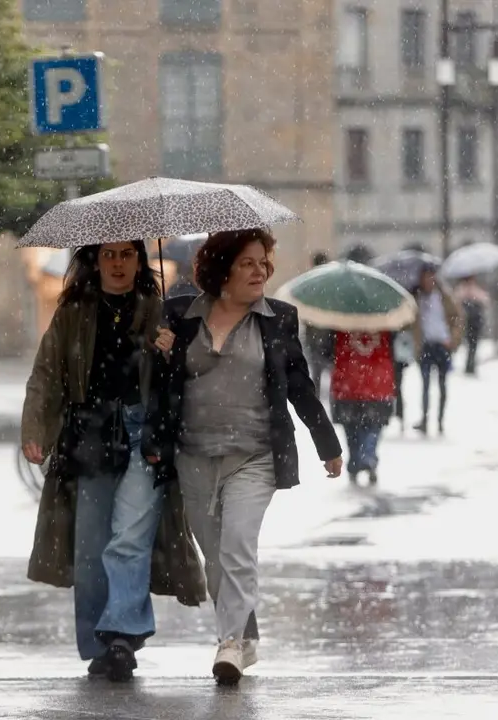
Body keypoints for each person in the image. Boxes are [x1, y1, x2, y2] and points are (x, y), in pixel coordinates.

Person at [145, 228, 344, 685]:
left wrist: (326, 444)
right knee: (214, 556)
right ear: (223, 269)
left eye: (263, 263)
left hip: (254, 456)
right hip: (193, 454)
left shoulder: (277, 319)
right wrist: (158, 353)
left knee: (236, 545)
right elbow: (161, 391)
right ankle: (245, 632)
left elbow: (299, 385)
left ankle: (229, 642)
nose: (260, 272)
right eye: (248, 263)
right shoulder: (179, 315)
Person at [20, 240, 205, 683]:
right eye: (109, 254)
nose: (118, 263)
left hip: (146, 434)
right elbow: (46, 373)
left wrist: (168, 351)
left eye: (127, 254)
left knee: (130, 538)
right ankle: (99, 643)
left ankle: (122, 635)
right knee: (89, 547)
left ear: (141, 260)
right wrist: (35, 430)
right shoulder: (74, 312)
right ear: (95, 261)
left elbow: (186, 376)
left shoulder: (160, 310)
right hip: (90, 434)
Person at [330, 330, 395, 485]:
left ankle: (355, 460)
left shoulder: (340, 321)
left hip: (347, 381)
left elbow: (327, 350)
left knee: (351, 427)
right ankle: (368, 454)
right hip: (378, 383)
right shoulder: (385, 320)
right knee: (374, 425)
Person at [411, 265, 465, 435]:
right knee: (425, 385)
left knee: (442, 385)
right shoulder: (416, 298)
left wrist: (453, 339)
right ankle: (425, 420)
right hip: (426, 345)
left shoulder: (445, 297)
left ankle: (440, 420)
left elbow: (458, 319)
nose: (428, 282)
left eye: (430, 278)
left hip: (442, 344)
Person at [303, 252, 335, 397]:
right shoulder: (331, 283)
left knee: (317, 372)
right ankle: (333, 402)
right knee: (332, 371)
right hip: (329, 333)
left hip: (315, 334)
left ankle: (316, 404)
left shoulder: (310, 283)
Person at [454, 278, 489, 375]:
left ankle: (471, 365)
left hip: (476, 323)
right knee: (468, 345)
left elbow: (485, 299)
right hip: (466, 324)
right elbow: (455, 301)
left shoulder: (477, 290)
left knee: (473, 346)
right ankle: (468, 365)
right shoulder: (461, 290)